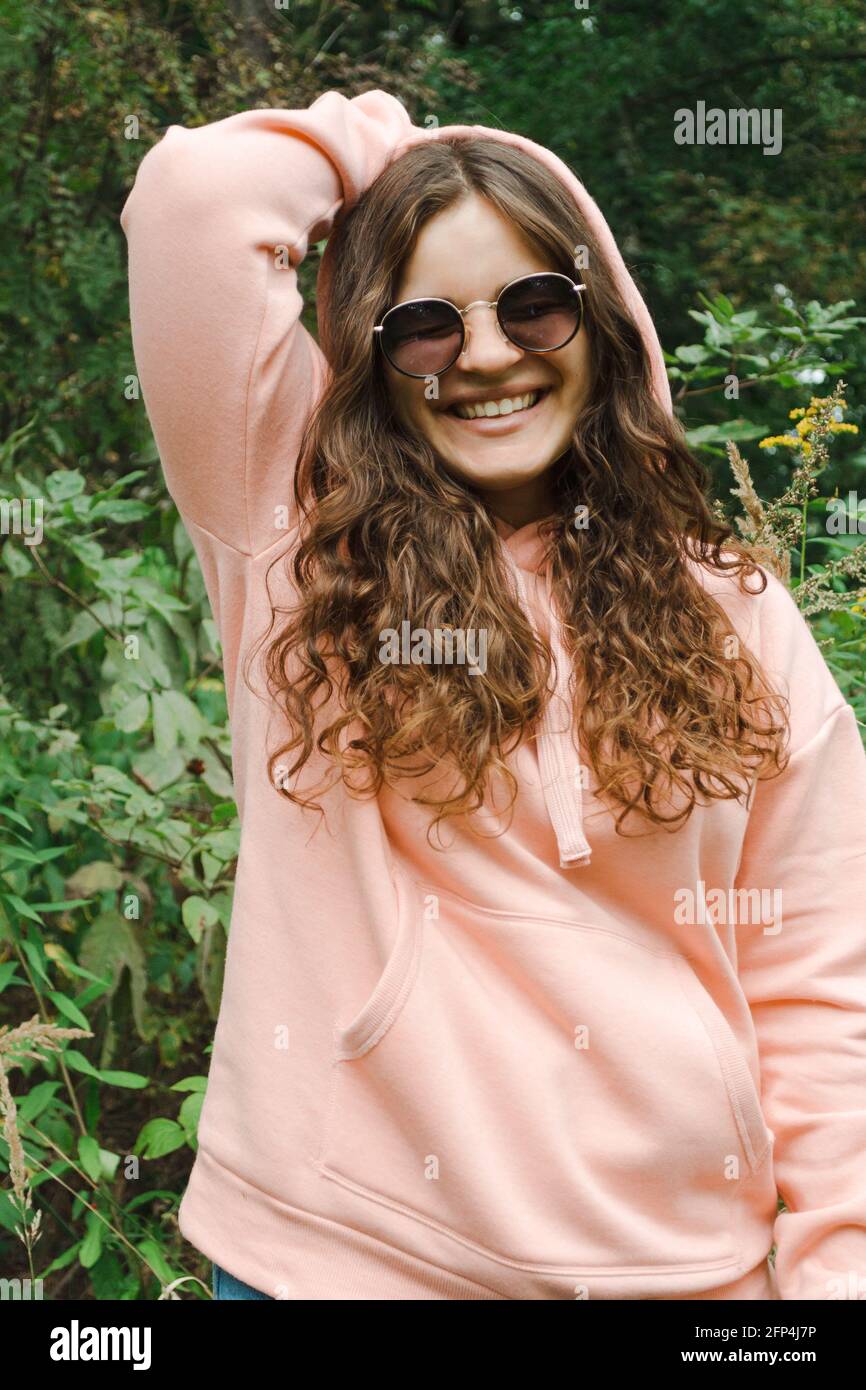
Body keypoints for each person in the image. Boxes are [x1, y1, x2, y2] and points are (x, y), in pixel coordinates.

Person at [121, 88, 866, 1302]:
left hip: (682, 1273)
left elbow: (821, 978)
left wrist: (835, 1277)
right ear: (372, 351)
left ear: (601, 319)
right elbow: (196, 200)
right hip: (341, 1257)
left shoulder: (731, 610)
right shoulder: (293, 540)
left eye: (533, 304)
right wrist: (400, 149)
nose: (484, 354)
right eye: (422, 325)